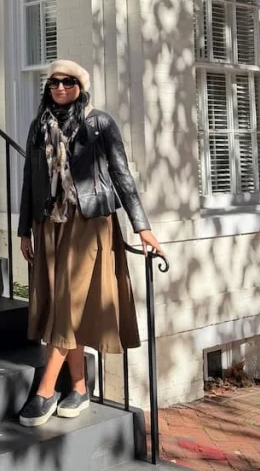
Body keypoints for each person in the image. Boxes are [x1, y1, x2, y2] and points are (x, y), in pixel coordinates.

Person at [17, 59, 164, 427]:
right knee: (61, 303)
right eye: (54, 83)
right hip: (49, 224)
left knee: (70, 303)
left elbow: (121, 174)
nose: (60, 88)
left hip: (89, 223)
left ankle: (45, 390)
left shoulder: (99, 123)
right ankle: (80, 387)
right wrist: (23, 230)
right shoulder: (39, 126)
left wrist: (142, 226)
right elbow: (30, 178)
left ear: (80, 87)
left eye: (68, 82)